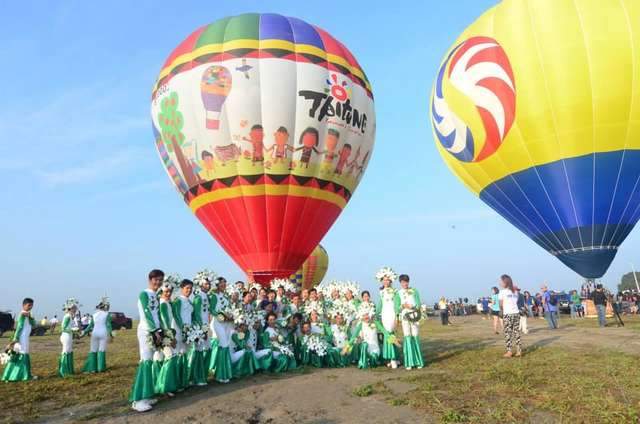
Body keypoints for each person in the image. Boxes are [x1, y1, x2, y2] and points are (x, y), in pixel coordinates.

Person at [130, 269, 164, 412]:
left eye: (160, 280)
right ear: (150, 279)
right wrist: (155, 330)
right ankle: (137, 400)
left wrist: (161, 330)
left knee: (150, 363)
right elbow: (147, 313)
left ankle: (147, 395)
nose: (158, 282)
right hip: (146, 332)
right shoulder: (144, 294)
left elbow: (158, 315)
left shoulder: (156, 295)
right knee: (145, 362)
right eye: (156, 279)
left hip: (155, 331)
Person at [1, 298, 36, 381]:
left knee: (22, 354)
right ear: (23, 305)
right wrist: (15, 339)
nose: (30, 307)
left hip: (25, 337)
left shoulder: (27, 314)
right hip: (22, 338)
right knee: (22, 354)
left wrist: (30, 317)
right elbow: (19, 327)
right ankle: (22, 375)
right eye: (29, 305)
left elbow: (34, 324)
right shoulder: (23, 315)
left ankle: (21, 374)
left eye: (31, 305)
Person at [155, 280, 180, 396]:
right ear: (161, 291)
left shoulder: (167, 303)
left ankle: (165, 385)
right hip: (163, 334)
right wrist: (171, 338)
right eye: (166, 291)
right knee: (170, 356)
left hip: (165, 333)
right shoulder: (163, 304)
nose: (168, 294)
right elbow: (165, 322)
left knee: (164, 357)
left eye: (170, 291)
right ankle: (164, 386)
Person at [396, 274, 424, 370]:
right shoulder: (398, 293)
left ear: (408, 282)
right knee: (407, 336)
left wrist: (412, 306)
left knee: (415, 335)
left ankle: (418, 361)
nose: (405, 284)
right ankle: (409, 362)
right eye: (403, 282)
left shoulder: (414, 291)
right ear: (400, 283)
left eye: (406, 282)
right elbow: (396, 307)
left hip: (414, 315)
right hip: (404, 316)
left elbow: (418, 303)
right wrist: (403, 306)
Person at [172, 279, 195, 389]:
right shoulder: (177, 301)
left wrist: (191, 330)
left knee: (185, 355)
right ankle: (176, 383)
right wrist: (183, 329)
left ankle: (183, 381)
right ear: (182, 288)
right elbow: (176, 316)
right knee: (178, 355)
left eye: (191, 288)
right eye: (187, 288)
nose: (189, 290)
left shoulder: (190, 302)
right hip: (179, 331)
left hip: (188, 332)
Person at [375, 267, 400, 369]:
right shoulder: (381, 292)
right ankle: (389, 358)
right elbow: (380, 304)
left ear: (391, 281)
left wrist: (397, 315)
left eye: (387, 280)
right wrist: (375, 313)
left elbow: (397, 303)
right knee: (386, 335)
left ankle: (394, 358)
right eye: (384, 280)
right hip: (384, 315)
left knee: (391, 334)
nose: (386, 281)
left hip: (392, 314)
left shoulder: (395, 291)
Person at [210, 277, 233, 383]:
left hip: (227, 323)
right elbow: (212, 309)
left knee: (226, 344)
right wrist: (221, 317)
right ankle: (220, 375)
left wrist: (231, 315)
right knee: (223, 344)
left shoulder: (226, 296)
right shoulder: (214, 296)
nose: (224, 284)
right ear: (217, 285)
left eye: (225, 282)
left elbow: (230, 308)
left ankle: (225, 372)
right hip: (218, 323)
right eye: (221, 283)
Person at [81, 297, 113, 373]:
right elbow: (108, 325)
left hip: (94, 333)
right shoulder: (107, 314)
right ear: (105, 307)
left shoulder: (94, 315)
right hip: (103, 333)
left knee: (93, 350)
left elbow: (90, 326)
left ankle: (92, 368)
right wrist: (111, 335)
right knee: (102, 350)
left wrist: (83, 334)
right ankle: (101, 368)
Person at [190, 276, 211, 387]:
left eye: (209, 284)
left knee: (207, 350)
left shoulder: (206, 296)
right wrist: (202, 330)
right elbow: (197, 315)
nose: (208, 286)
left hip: (205, 326)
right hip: (200, 328)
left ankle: (202, 375)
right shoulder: (198, 297)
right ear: (200, 285)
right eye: (206, 284)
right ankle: (197, 377)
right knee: (199, 351)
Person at [499, 275, 522, 357]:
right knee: (516, 332)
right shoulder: (515, 292)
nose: (500, 283)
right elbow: (516, 301)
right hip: (516, 313)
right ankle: (519, 351)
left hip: (508, 314)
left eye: (501, 281)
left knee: (508, 333)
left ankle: (509, 352)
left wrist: (501, 309)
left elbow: (501, 305)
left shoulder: (502, 292)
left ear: (505, 282)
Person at [59, 298, 80, 377]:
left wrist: (74, 332)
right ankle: (64, 371)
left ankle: (69, 370)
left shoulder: (71, 316)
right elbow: (63, 328)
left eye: (75, 308)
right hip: (66, 336)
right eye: (74, 308)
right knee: (66, 351)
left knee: (69, 351)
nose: (75, 309)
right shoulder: (67, 316)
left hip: (69, 336)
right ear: (70, 309)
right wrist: (73, 330)